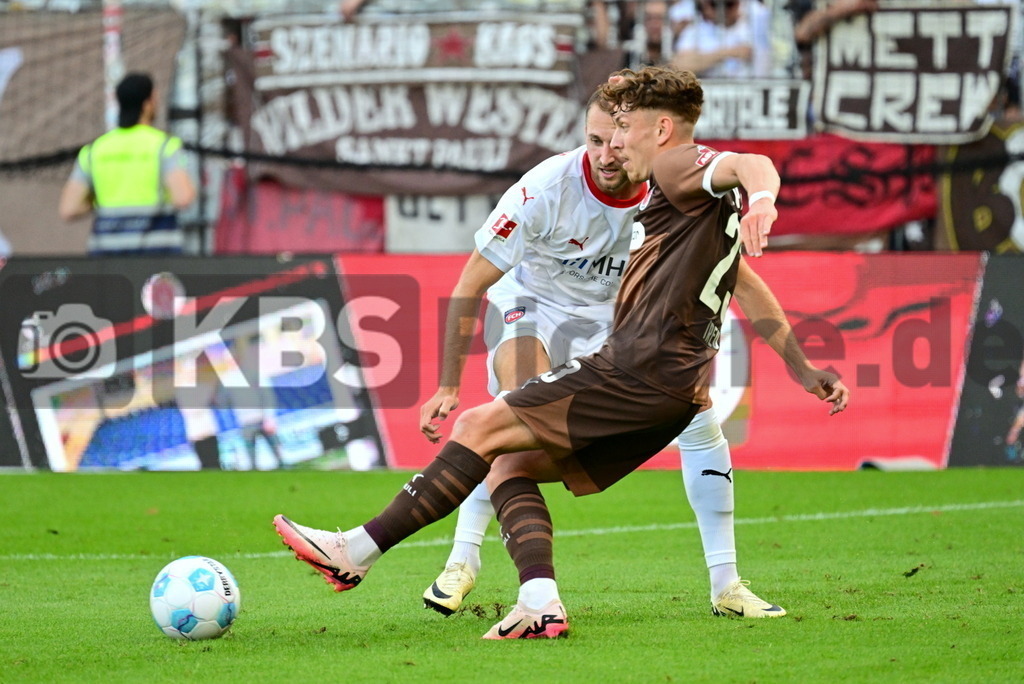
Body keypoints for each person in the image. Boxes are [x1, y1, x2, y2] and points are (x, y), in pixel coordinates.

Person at [273, 65, 849, 640]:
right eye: (602, 135)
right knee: (509, 457)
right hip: (644, 369)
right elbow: (734, 256)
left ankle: (357, 550)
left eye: (624, 131)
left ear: (663, 128)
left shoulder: (673, 168)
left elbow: (746, 166)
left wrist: (763, 197)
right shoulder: (567, 188)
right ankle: (529, 595)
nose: (613, 146)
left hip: (633, 364)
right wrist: (801, 366)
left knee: (480, 425)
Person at [416, 89, 845, 621]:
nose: (606, 152)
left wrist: (799, 365)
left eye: (616, 140)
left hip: (622, 322)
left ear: (639, 135)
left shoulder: (671, 182)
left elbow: (742, 280)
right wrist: (448, 386)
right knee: (514, 410)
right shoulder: (546, 188)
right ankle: (464, 559)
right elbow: (470, 283)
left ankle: (727, 584)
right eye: (594, 139)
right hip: (534, 305)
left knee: (701, 421)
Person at [58, 72, 196, 255]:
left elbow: (69, 209)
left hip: (106, 257)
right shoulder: (165, 146)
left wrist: (99, 201)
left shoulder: (94, 151)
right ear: (147, 104)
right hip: (155, 254)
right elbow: (183, 197)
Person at [672, 0, 773, 79]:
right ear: (705, 5)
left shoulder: (758, 21)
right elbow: (678, 67)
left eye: (729, 4)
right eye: (714, 4)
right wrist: (726, 53)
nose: (723, 10)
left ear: (739, 4)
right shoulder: (695, 30)